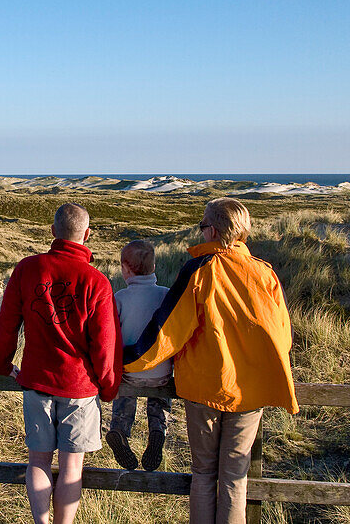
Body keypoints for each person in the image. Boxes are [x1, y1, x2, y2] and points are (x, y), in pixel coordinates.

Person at [124, 198, 298, 524]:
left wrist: (125, 362)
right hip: (251, 390)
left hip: (203, 386)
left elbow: (167, 332)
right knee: (235, 478)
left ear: (213, 230)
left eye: (202, 226)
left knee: (203, 473)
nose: (200, 231)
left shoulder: (200, 270)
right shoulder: (265, 273)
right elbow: (282, 336)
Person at [0, 202, 121, 524]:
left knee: (37, 461)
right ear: (87, 234)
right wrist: (108, 386)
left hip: (36, 380)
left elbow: (7, 322)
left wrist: (2, 363)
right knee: (71, 467)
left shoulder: (27, 269)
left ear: (53, 232)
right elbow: (105, 345)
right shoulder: (97, 281)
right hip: (79, 387)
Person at [105, 240, 172, 472]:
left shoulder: (120, 298)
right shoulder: (166, 295)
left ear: (125, 268)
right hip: (161, 371)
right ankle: (158, 430)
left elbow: (111, 336)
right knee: (159, 398)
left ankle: (119, 430)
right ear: (154, 266)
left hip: (130, 372)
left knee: (124, 393)